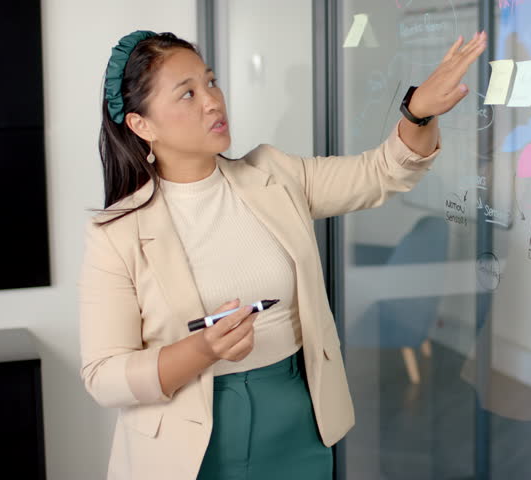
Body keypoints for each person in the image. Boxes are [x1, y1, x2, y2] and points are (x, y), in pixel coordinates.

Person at [78, 30, 487, 480]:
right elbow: (104, 374)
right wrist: (200, 350)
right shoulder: (117, 232)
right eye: (188, 93)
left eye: (211, 82)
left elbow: (381, 172)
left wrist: (418, 113)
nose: (213, 101)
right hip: (184, 447)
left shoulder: (273, 175)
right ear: (142, 126)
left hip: (296, 418)